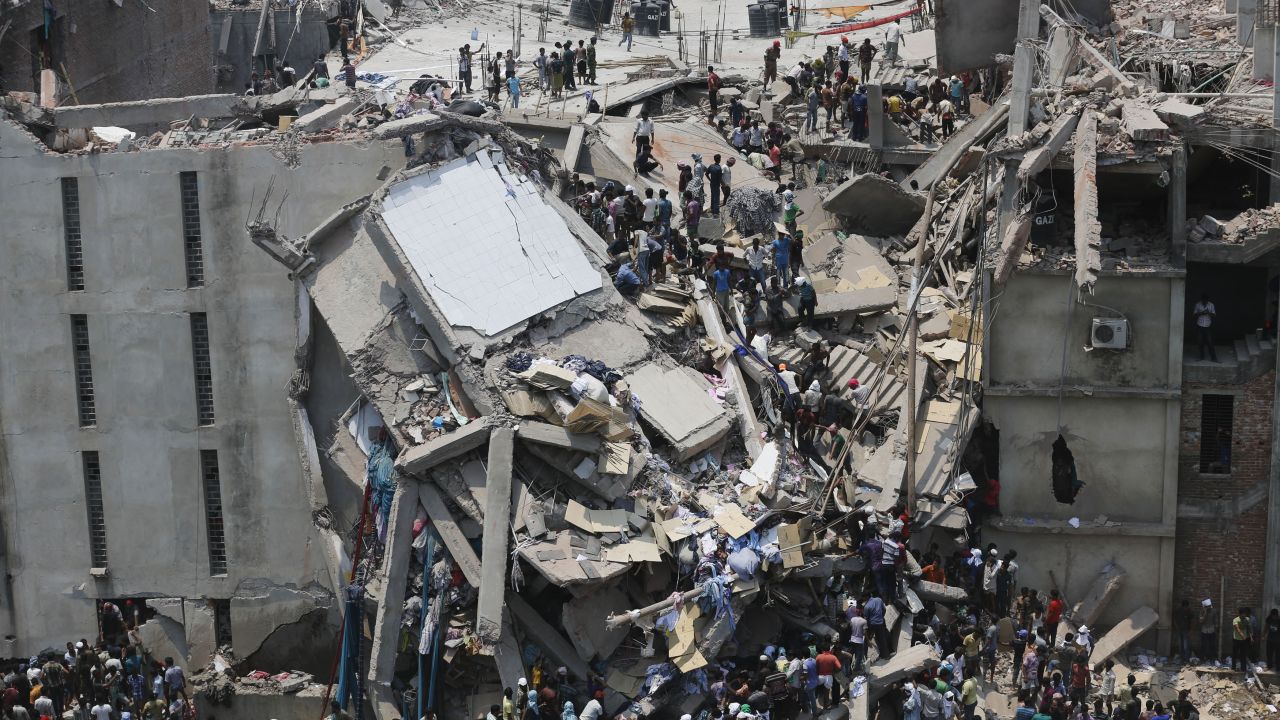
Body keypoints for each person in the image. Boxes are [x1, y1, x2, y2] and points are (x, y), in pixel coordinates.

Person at [1194, 293, 1218, 361]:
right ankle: (1201, 357)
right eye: (1203, 300)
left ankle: (1214, 358)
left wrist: (1208, 313)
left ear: (1207, 300)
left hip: (1208, 326)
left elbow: (1214, 315)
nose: (1204, 302)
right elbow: (1194, 315)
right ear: (1201, 300)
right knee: (1200, 342)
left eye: (1206, 301)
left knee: (1210, 342)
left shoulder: (1211, 305)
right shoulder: (1197, 304)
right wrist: (1201, 313)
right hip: (1199, 326)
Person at [1232, 606, 1253, 671]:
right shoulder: (1235, 620)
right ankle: (1233, 667)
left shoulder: (1247, 619)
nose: (1244, 615)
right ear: (1240, 614)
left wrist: (1251, 637)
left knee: (1243, 655)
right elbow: (1238, 629)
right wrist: (1243, 636)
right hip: (1236, 639)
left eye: (1245, 614)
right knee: (1234, 654)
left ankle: (1243, 668)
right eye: (1243, 614)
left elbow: (1249, 629)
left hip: (1244, 640)